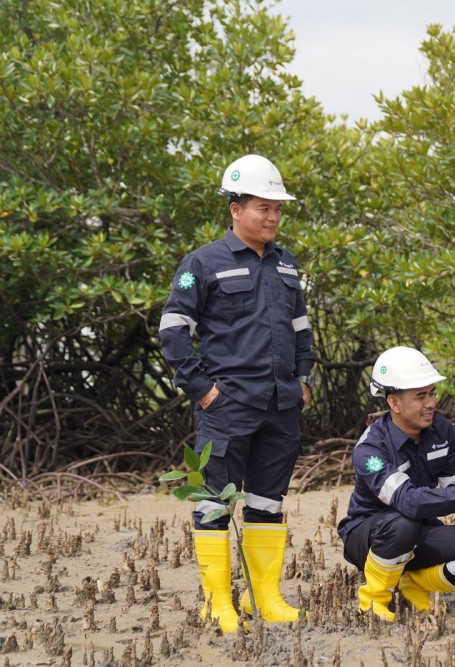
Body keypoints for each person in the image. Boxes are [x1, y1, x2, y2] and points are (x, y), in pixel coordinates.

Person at [159, 154, 315, 632]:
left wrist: (304, 380)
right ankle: (217, 602)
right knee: (213, 502)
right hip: (226, 407)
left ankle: (266, 597)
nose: (271, 217)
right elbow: (172, 331)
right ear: (235, 208)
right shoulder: (202, 262)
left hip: (280, 405)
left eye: (277, 209)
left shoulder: (287, 264)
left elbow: (302, 329)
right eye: (262, 207)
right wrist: (203, 392)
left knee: (268, 502)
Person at [339, 346, 455, 622]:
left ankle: (415, 585)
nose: (431, 403)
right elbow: (408, 501)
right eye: (420, 396)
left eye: (432, 393)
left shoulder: (443, 431)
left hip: (418, 529)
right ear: (394, 403)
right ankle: (374, 599)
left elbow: (453, 490)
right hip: (368, 536)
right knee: (403, 523)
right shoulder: (370, 451)